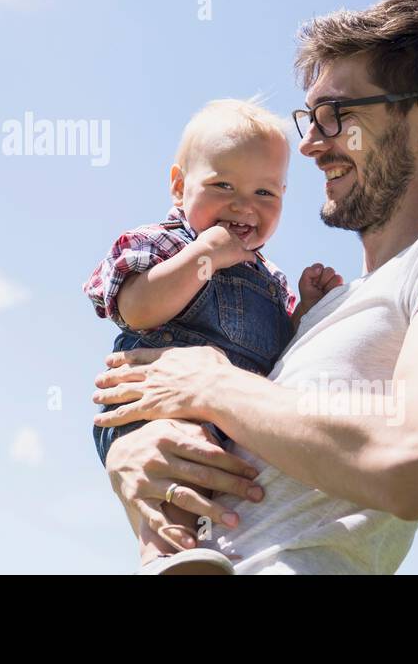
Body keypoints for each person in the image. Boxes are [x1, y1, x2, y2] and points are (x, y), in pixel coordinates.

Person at [92, 0, 418, 574]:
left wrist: (210, 384)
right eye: (310, 118)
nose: (308, 144)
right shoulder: (314, 313)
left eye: (337, 115)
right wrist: (133, 454)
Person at [82, 98, 341, 571]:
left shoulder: (271, 280)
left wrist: (305, 309)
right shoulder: (166, 242)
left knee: (225, 483)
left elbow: (281, 358)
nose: (243, 205)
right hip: (154, 407)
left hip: (234, 419)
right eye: (223, 185)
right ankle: (168, 556)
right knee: (184, 453)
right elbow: (136, 309)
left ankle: (210, 554)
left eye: (265, 194)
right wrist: (204, 257)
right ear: (180, 187)